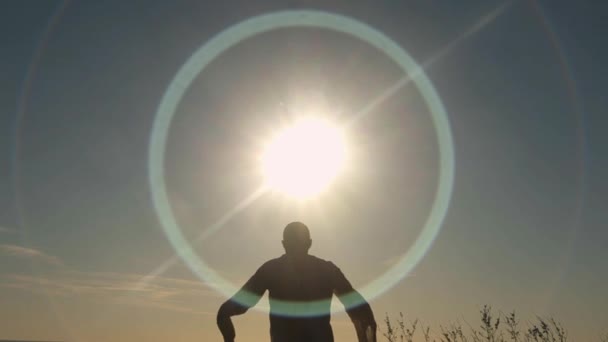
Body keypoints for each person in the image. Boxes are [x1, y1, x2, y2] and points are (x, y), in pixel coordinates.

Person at [217, 221, 376, 342]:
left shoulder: (271, 270)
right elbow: (363, 313)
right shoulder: (327, 270)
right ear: (310, 243)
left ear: (283, 244)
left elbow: (225, 312)